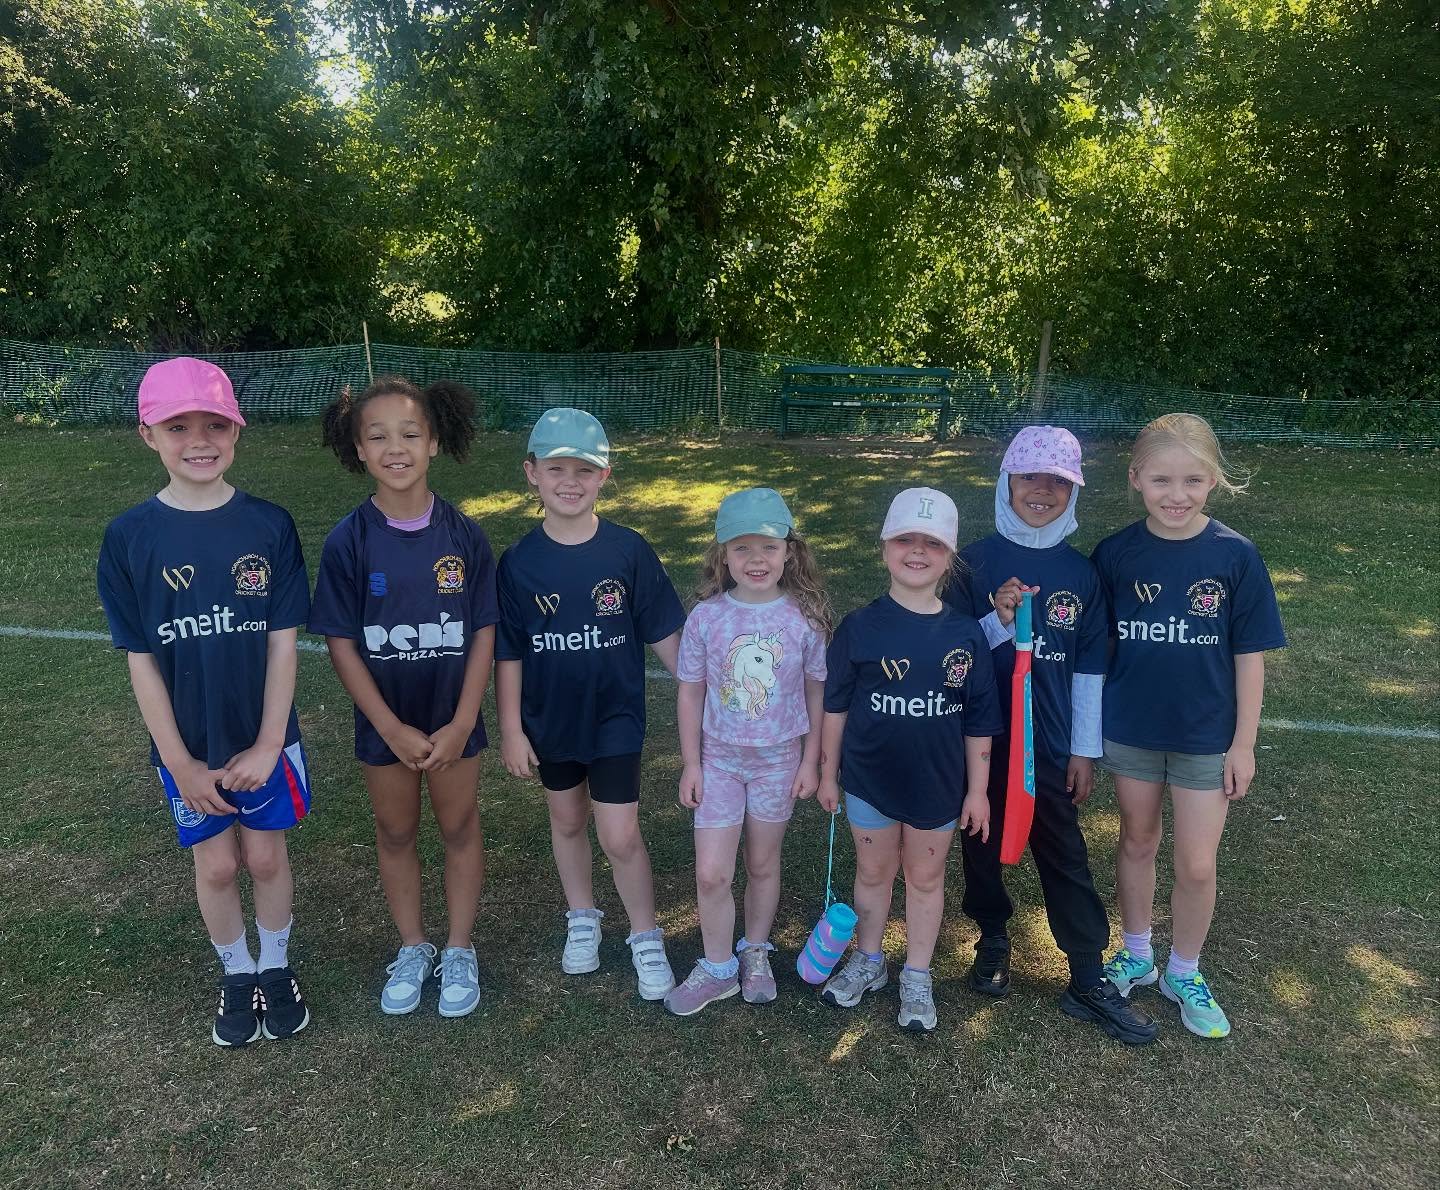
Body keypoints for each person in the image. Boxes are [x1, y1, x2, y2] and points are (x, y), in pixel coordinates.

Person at [97, 357, 312, 1047]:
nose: (199, 439)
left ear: (236, 432)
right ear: (147, 435)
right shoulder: (129, 537)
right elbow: (142, 660)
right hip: (188, 742)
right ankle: (235, 972)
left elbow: (284, 644)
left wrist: (270, 742)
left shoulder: (269, 526)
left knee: (266, 859)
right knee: (218, 864)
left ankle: (275, 968)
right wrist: (180, 763)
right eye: (178, 425)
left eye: (215, 424)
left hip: (264, 734)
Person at [949, 425, 1157, 1044]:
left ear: (1073, 491)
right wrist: (997, 619)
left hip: (1053, 742)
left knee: (1064, 850)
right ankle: (991, 936)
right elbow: (953, 651)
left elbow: (1090, 664)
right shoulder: (974, 562)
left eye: (1057, 482)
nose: (1041, 491)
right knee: (981, 839)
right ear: (1004, 482)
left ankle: (1088, 975)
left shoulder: (1082, 573)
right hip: (983, 740)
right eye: (1028, 478)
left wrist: (1084, 750)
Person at [1092, 413, 1286, 1039]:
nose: (1176, 495)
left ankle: (1185, 968)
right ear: (1136, 480)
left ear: (1213, 482)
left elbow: (1248, 656)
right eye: (1162, 480)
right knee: (1137, 840)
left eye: (1192, 481)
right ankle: (1138, 952)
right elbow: (1091, 644)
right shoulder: (1115, 554)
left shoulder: (1235, 556)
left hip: (1206, 735)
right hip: (1132, 729)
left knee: (1197, 863)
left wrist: (1243, 743)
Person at [310, 375, 496, 1019]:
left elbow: (483, 632)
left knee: (459, 826)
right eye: (378, 436)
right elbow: (340, 643)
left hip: (453, 721)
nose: (396, 447)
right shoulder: (348, 541)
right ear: (357, 449)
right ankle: (413, 946)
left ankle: (459, 947)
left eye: (410, 433)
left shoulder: (465, 536)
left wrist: (464, 719)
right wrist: (387, 727)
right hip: (384, 725)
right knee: (395, 831)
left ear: (435, 442)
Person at [494, 408, 685, 1000]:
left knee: (620, 833)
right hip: (550, 720)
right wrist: (510, 729)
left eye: (584, 469)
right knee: (567, 819)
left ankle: (645, 935)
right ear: (532, 474)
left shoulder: (628, 552)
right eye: (556, 469)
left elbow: (668, 638)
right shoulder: (519, 563)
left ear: (605, 476)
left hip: (614, 719)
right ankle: (582, 917)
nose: (569, 481)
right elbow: (509, 653)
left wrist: (709, 699)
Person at [817, 488, 1002, 1032]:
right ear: (884, 548)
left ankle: (916, 973)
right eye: (905, 540)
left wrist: (976, 791)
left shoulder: (965, 634)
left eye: (932, 543)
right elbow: (836, 707)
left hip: (938, 786)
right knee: (872, 873)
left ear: (949, 556)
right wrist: (829, 773)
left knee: (924, 878)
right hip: (869, 782)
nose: (916, 552)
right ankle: (869, 960)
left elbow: (979, 722)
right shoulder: (859, 626)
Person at [665, 488, 831, 1016]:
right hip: (718, 760)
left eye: (767, 547)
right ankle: (717, 968)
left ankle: (753, 951)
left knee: (762, 863)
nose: (756, 560)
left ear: (789, 551)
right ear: (722, 555)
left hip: (779, 762)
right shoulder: (707, 618)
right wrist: (691, 762)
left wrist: (811, 761)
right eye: (741, 549)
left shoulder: (803, 619)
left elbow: (816, 691)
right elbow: (690, 689)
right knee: (712, 871)